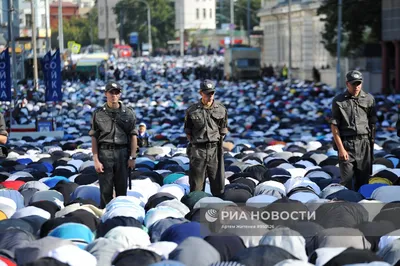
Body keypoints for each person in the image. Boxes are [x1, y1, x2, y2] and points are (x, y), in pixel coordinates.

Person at [89, 82, 138, 208]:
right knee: (105, 191)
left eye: (116, 92)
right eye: (111, 92)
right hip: (104, 153)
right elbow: (94, 137)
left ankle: (120, 213)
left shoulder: (128, 113)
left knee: (122, 190)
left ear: (120, 94)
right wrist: (95, 160)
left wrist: (133, 157)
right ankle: (106, 217)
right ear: (106, 94)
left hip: (122, 153)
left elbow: (133, 135)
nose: (114, 95)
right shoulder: (98, 113)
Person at [330, 70, 377, 191]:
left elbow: (372, 124)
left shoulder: (369, 99)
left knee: (363, 181)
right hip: (347, 144)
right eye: (354, 84)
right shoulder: (338, 100)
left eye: (359, 83)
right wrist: (341, 149)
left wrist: (371, 146)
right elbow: (334, 126)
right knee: (347, 180)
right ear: (347, 84)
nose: (357, 86)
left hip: (364, 144)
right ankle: (348, 205)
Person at [184, 79, 228, 196]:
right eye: (207, 93)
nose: (210, 96)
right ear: (201, 93)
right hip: (198, 150)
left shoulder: (221, 109)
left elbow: (223, 129)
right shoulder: (192, 110)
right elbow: (188, 131)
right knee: (196, 186)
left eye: (212, 93)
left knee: (218, 184)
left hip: (215, 149)